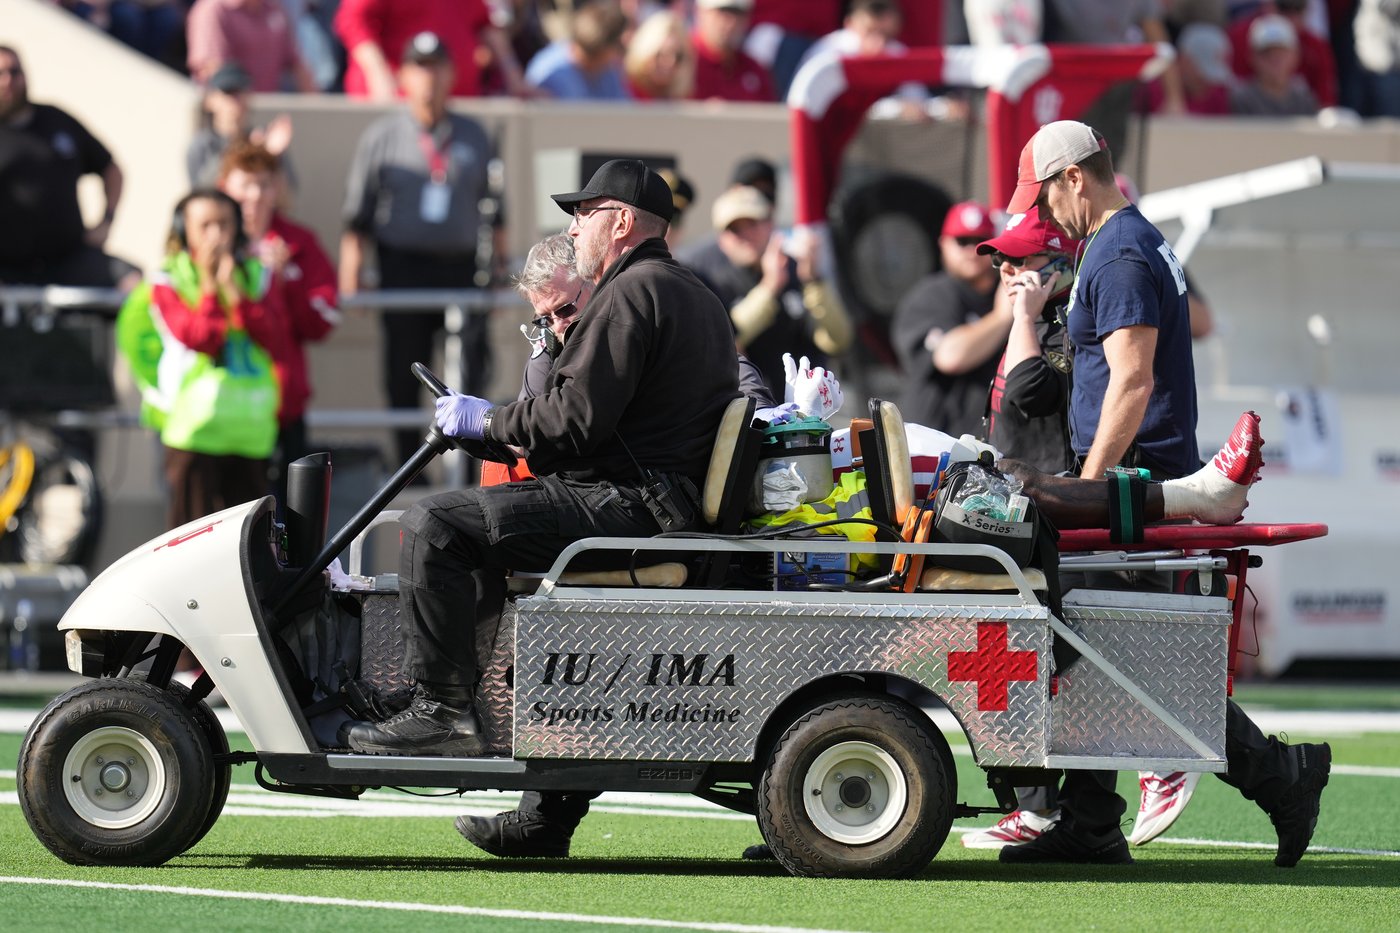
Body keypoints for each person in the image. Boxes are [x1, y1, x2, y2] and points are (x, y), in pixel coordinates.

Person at [997, 118, 1331, 867]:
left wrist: (1085, 490)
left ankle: (1273, 779)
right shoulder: (1134, 240)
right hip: (1141, 472)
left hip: (1131, 478)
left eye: (1045, 199)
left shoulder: (1114, 253)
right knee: (1106, 651)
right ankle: (1101, 817)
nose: (1044, 216)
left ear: (1075, 176)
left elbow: (1132, 380)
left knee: (1111, 654)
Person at [340, 159, 740, 758]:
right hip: (650, 505)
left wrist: (489, 419)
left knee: (434, 525)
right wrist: (491, 432)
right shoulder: (694, 294)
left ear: (623, 221)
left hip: (625, 507)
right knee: (469, 519)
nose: (574, 228)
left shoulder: (630, 291)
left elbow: (573, 420)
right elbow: (593, 422)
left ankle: (442, 711)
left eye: (584, 214)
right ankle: (530, 804)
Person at [340, 32, 501, 466]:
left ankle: (467, 462)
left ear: (450, 74)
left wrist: (500, 274)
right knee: (403, 371)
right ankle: (409, 465)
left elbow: (494, 209)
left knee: (468, 368)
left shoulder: (473, 134)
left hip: (460, 269)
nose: (428, 78)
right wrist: (351, 271)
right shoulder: (383, 136)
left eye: (436, 67)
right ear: (404, 75)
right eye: (419, 67)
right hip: (403, 267)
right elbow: (360, 211)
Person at [118, 190, 287, 529]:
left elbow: (274, 336)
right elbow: (200, 337)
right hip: (192, 433)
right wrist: (211, 287)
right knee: (190, 536)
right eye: (205, 225)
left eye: (224, 224)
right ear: (184, 232)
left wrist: (236, 294)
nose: (216, 235)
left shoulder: (255, 274)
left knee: (251, 541)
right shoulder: (167, 280)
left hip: (249, 429)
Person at [218, 142, 339, 503]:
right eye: (245, 184)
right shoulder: (209, 242)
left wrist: (286, 281)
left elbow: (322, 322)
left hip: (283, 404)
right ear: (226, 186)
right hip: (223, 407)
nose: (254, 196)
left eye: (264, 184)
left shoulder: (298, 243)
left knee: (291, 517)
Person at [678, 184, 852, 398]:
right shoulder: (708, 280)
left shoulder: (797, 269)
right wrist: (770, 287)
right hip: (745, 410)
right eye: (735, 229)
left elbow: (837, 339)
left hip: (803, 412)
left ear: (770, 224)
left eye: (752, 224)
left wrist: (814, 282)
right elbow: (724, 341)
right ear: (722, 239)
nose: (745, 235)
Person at [0, 46, 139, 291]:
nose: (9, 81)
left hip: (69, 259)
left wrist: (106, 221)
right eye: (1, 74)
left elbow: (111, 169)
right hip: (8, 268)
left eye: (15, 72)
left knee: (133, 284)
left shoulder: (56, 120)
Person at [889, 201, 1002, 441]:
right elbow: (950, 357)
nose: (972, 251)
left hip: (994, 447)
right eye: (962, 242)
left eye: (980, 241)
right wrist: (1002, 317)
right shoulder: (931, 296)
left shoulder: (1008, 291)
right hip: (934, 449)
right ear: (943, 244)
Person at [334, 0, 529, 101]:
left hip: (456, 111)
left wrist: (514, 77)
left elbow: (484, 24)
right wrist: (378, 75)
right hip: (400, 110)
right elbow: (354, 22)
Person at [186, 62, 296, 190]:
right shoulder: (202, 145)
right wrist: (244, 148)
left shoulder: (265, 140)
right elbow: (201, 192)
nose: (235, 101)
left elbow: (288, 193)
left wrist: (271, 156)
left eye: (241, 93)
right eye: (228, 93)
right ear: (210, 101)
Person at [186, 0, 318, 93]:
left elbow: (296, 63)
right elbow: (212, 69)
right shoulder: (213, 10)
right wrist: (241, 104)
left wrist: (317, 107)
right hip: (227, 119)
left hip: (266, 112)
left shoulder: (273, 9)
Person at [525, 1, 631, 101]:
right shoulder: (549, 72)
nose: (621, 52)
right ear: (606, 51)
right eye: (619, 46)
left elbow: (624, 112)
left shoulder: (609, 72)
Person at [1229, 13, 1321, 115]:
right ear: (1252, 58)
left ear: (1295, 56)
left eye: (1281, 53)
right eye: (1266, 53)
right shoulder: (1242, 100)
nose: (1274, 60)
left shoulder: (1305, 99)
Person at [690, 0, 776, 103]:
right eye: (722, 11)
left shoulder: (755, 69)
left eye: (738, 13)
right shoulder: (680, 60)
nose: (731, 22)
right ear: (700, 13)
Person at [624, 10, 695, 100]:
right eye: (660, 54)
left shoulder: (681, 99)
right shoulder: (625, 93)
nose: (670, 62)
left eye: (678, 56)